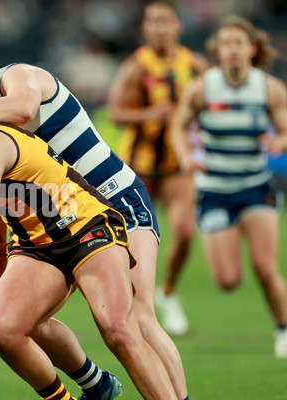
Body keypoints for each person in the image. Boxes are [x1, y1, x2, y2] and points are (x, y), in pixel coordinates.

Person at [0, 19, 189, 399]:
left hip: (117, 199)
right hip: (65, 223)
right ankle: (97, 385)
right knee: (21, 323)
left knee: (135, 321)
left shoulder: (18, 77)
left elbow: (26, 108)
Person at [171, 15, 287, 358]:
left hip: (254, 186)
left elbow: (284, 128)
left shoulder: (268, 88)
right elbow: (178, 125)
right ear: (217, 50)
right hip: (214, 189)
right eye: (226, 44)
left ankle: (283, 329)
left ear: (251, 48)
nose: (233, 50)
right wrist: (185, 156)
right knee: (227, 281)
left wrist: (281, 142)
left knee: (266, 267)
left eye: (239, 43)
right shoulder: (202, 87)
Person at [107, 1, 208, 336]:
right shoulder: (136, 67)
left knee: (183, 232)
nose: (160, 28)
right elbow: (116, 112)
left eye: (166, 21)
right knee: (124, 240)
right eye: (153, 22)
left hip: (178, 164)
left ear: (177, 26)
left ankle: (168, 292)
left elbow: (211, 104)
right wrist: (151, 114)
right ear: (145, 29)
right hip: (139, 167)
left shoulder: (194, 64)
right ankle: (131, 303)